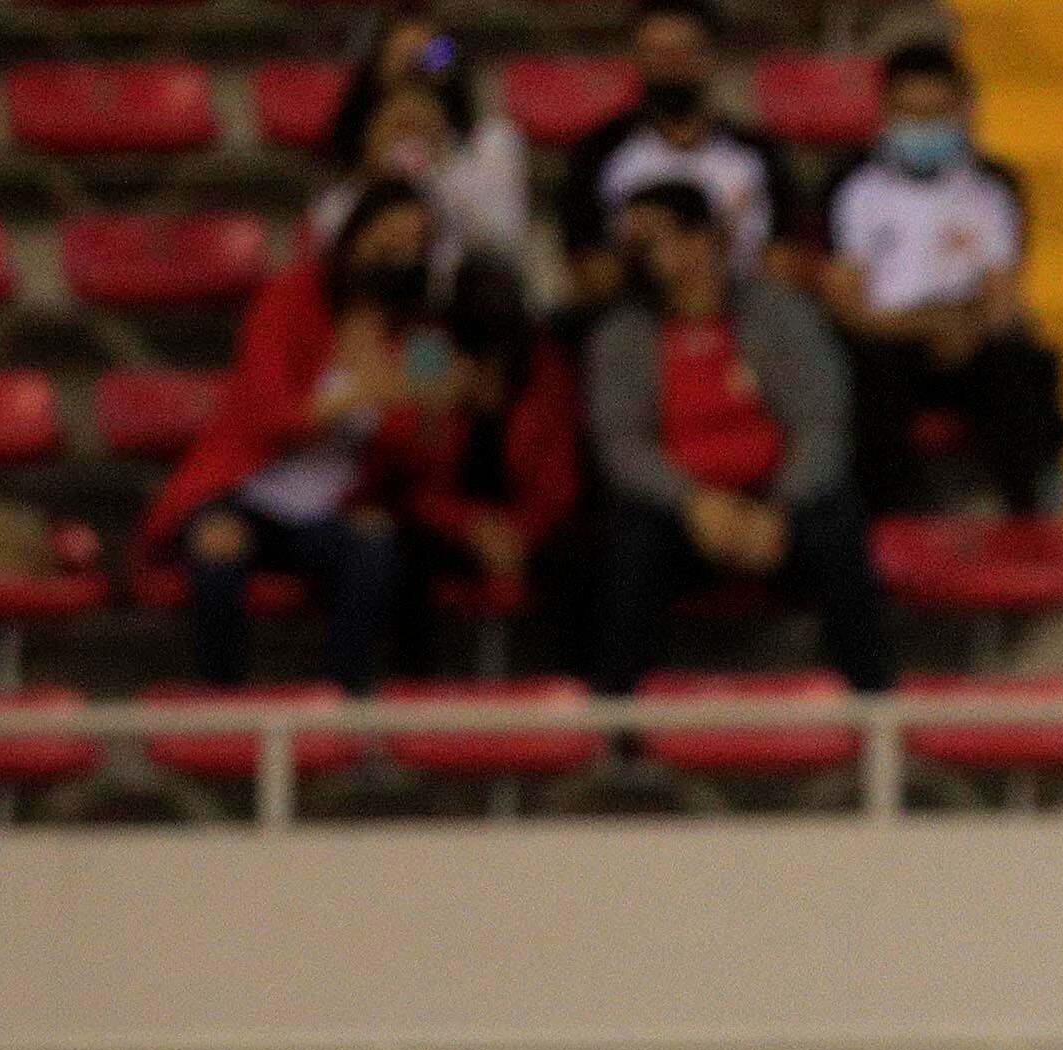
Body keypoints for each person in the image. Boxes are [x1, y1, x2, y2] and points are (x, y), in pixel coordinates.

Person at [585, 181, 892, 693]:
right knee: (624, 543)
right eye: (638, 245)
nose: (650, 256)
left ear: (705, 239)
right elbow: (621, 445)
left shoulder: (781, 313)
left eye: (662, 239)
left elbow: (821, 423)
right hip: (680, 506)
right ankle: (617, 720)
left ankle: (876, 709)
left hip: (780, 500)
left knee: (838, 529)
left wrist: (780, 506)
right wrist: (694, 502)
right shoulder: (623, 333)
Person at [141, 181, 445, 693]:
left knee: (376, 548)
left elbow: (424, 448)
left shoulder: (425, 337)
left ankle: (339, 703)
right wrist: (359, 393)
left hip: (330, 511)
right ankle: (222, 706)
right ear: (352, 239)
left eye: (411, 247)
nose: (393, 258)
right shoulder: (287, 296)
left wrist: (429, 407)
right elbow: (269, 413)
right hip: (244, 493)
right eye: (383, 241)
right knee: (218, 548)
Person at [822, 41, 1063, 514]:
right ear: (886, 111)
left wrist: (964, 328)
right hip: (889, 343)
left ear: (962, 110)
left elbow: (1003, 299)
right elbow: (849, 306)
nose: (923, 127)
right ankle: (885, 517)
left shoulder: (993, 187)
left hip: (972, 340)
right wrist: (930, 326)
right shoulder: (855, 186)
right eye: (911, 113)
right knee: (869, 375)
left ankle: (1030, 515)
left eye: (936, 114)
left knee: (1023, 365)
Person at [406, 260, 587, 669]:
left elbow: (560, 484)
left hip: (529, 526)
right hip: (446, 523)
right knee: (404, 554)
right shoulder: (429, 353)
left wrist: (518, 532)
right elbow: (411, 479)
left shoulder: (546, 366)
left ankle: (570, 694)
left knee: (578, 558)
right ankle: (413, 693)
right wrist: (470, 525)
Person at [562, 0, 804, 303]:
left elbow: (785, 262)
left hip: (743, 310)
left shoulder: (758, 153)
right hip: (636, 310)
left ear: (710, 56)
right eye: (658, 54)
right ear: (637, 57)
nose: (672, 67)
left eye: (683, 52)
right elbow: (589, 270)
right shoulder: (598, 153)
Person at [314, 11, 530, 283]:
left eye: (428, 58)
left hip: (466, 292)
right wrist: (372, 173)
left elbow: (503, 239)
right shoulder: (362, 139)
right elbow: (327, 235)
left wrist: (440, 163)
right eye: (403, 60)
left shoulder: (491, 139)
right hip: (382, 289)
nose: (416, 71)